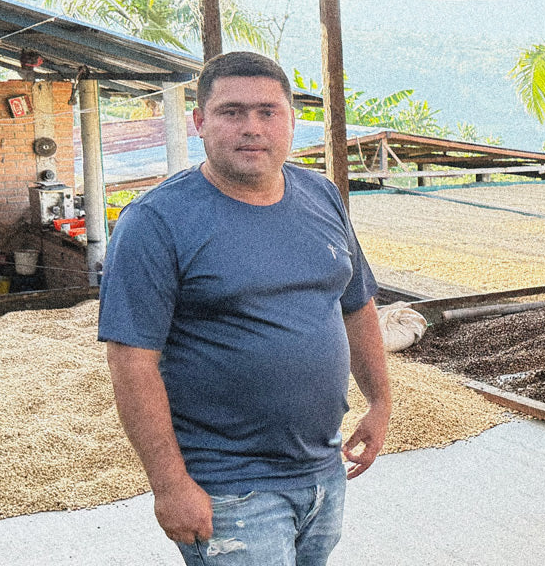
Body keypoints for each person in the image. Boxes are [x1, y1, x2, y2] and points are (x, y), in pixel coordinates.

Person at [98, 51, 391, 566]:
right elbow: (132, 362)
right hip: (227, 484)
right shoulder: (156, 221)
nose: (251, 128)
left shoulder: (321, 195)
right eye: (232, 112)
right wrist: (170, 486)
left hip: (322, 467)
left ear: (292, 121)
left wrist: (380, 401)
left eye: (268, 112)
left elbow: (357, 303)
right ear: (200, 121)